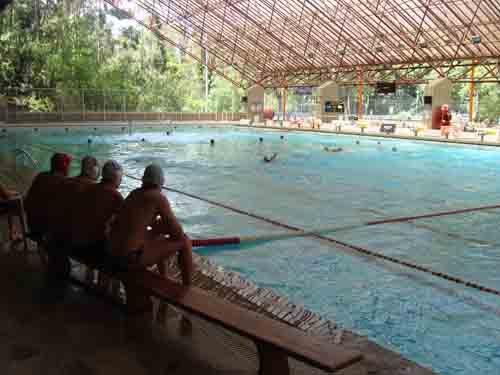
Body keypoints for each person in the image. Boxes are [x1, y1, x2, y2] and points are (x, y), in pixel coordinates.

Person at [109, 164, 193, 285]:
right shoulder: (158, 197)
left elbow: (137, 222)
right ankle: (187, 288)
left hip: (112, 251)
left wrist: (160, 227)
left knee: (158, 235)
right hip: (128, 259)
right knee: (185, 241)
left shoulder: (134, 194)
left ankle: (164, 276)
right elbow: (178, 233)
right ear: (161, 182)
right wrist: (165, 227)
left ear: (143, 180)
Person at [24, 153, 72, 239]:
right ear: (64, 166)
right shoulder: (65, 182)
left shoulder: (40, 176)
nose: (69, 168)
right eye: (68, 165)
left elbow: (28, 201)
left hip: (33, 226)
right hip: (50, 230)